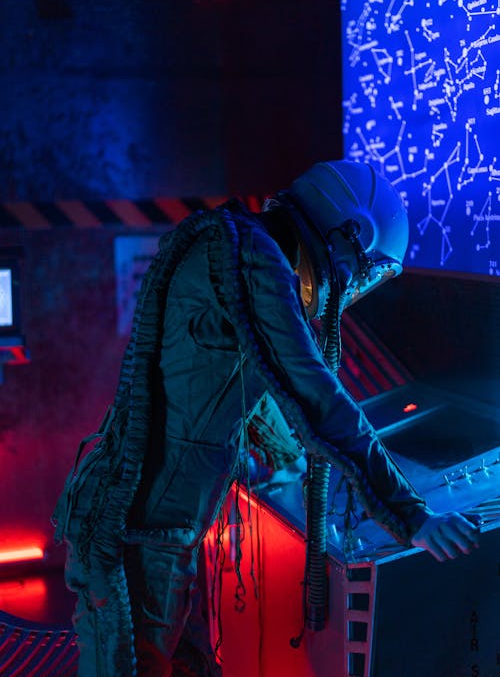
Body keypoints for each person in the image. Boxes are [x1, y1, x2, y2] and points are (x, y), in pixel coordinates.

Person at [53, 160, 480, 677]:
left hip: (147, 531)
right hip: (136, 537)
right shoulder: (252, 258)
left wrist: (290, 462)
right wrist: (411, 516)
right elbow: (314, 394)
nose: (348, 289)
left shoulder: (232, 246)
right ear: (352, 235)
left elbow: (245, 392)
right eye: (361, 273)